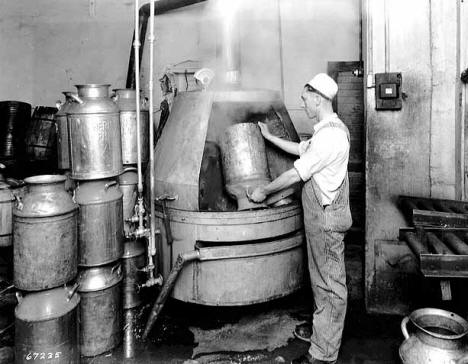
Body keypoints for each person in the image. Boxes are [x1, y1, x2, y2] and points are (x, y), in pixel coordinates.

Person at [248, 73, 352, 364]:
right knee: (321, 283)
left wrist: (263, 191)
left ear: (318, 98)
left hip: (327, 221)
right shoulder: (327, 130)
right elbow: (301, 150)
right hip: (322, 220)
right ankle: (323, 335)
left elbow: (296, 172)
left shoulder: (330, 136)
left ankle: (322, 355)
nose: (303, 104)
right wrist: (269, 137)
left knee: (331, 288)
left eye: (305, 99)